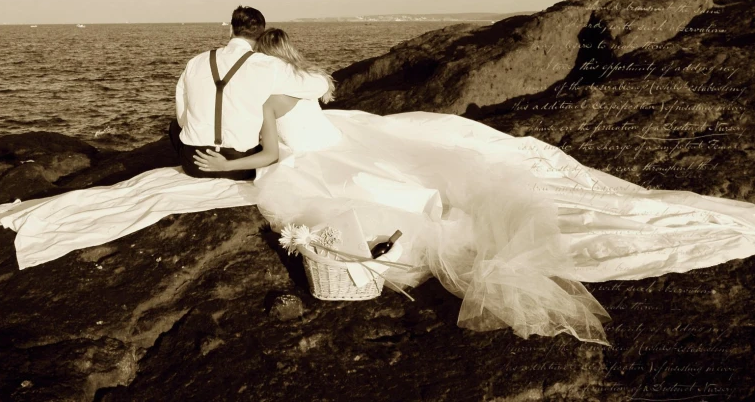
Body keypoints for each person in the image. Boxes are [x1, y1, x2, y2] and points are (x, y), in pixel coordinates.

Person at [194, 28, 755, 346]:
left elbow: (270, 152)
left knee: (354, 192)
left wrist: (224, 167)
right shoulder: (303, 82)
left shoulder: (269, 94)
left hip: (312, 158)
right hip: (343, 135)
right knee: (422, 168)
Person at [170, 6, 331, 180]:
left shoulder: (195, 62)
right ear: (261, 34)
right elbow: (320, 85)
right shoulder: (268, 66)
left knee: (173, 126)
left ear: (231, 30)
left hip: (195, 163)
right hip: (241, 166)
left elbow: (182, 118)